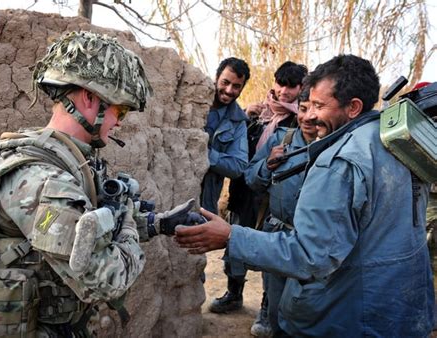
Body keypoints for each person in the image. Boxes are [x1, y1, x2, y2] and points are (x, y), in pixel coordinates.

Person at [176, 54, 434, 336]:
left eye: (320, 106)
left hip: (347, 318)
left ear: (353, 107)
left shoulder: (339, 162)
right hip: (401, 313)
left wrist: (230, 236)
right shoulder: (396, 142)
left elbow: (311, 256)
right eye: (306, 106)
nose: (309, 116)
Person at [0, 31, 200, 337]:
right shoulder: (42, 181)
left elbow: (89, 232)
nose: (121, 121)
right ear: (89, 98)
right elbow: (108, 280)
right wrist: (125, 217)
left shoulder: (66, 160)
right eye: (121, 109)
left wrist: (159, 223)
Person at [211, 62, 307, 332]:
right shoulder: (257, 114)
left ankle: (266, 309)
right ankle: (234, 293)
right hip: (243, 191)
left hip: (269, 200)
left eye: (291, 86)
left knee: (268, 254)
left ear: (301, 89)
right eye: (281, 83)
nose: (284, 91)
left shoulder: (300, 122)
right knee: (235, 245)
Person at [244, 87, 316, 336]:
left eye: (315, 109)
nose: (308, 117)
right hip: (276, 236)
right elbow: (251, 179)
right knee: (276, 308)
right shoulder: (281, 139)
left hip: (312, 244)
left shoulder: (334, 148)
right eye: (303, 109)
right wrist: (267, 165)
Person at [201, 57, 250, 215]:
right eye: (225, 82)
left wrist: (203, 154)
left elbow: (238, 166)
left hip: (206, 201)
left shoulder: (238, 121)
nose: (229, 90)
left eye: (236, 86)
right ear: (216, 78)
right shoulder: (192, 103)